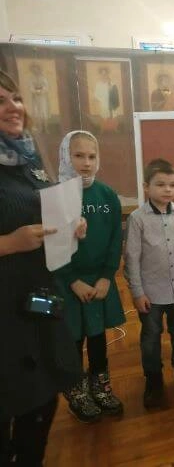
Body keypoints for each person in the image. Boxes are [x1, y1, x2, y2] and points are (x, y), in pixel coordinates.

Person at [0, 70, 82, 465]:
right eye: (0, 101)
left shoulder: (27, 157)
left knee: (44, 397)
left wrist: (69, 225)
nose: (13, 107)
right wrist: (8, 244)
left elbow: (42, 211)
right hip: (4, 317)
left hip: (38, 301)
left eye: (15, 98)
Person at [54, 131, 126, 422]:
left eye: (92, 156)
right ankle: (77, 391)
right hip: (69, 283)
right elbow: (53, 246)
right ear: (66, 157)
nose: (86, 163)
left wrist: (107, 276)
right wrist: (72, 280)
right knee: (73, 337)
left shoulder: (107, 195)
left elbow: (115, 237)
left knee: (97, 335)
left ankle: (100, 386)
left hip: (99, 281)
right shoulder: (56, 197)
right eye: (79, 155)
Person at [124, 158, 174, 407]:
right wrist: (137, 292)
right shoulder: (137, 218)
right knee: (150, 337)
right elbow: (132, 258)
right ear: (146, 187)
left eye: (172, 185)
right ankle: (154, 381)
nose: (167, 189)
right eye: (160, 184)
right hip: (150, 293)